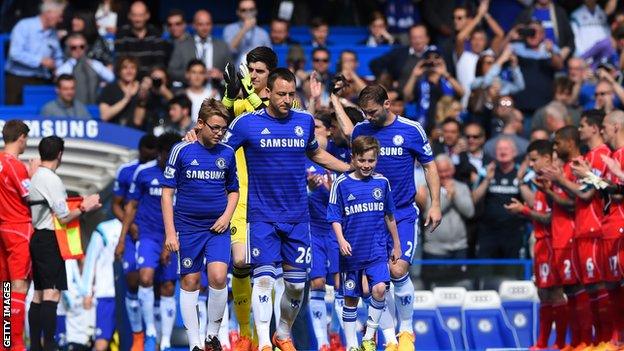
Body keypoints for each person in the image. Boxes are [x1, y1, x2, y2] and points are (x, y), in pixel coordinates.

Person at [223, 68, 351, 351]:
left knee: (295, 286)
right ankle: (264, 342)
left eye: (291, 94)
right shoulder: (246, 124)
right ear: (267, 92)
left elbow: (315, 153)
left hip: (296, 217)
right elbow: (221, 152)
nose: (287, 100)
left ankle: (282, 333)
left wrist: (347, 168)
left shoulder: (304, 121)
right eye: (281, 94)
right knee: (265, 279)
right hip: (261, 217)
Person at [335, 84, 441, 350]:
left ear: (387, 105)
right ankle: (390, 339)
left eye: (371, 112)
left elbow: (429, 166)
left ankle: (406, 331)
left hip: (402, 213)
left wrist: (435, 203)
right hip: (369, 219)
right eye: (364, 113)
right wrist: (333, 99)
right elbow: (350, 137)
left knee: (397, 270)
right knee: (377, 283)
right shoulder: (361, 130)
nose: (367, 117)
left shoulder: (411, 129)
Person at [161, 99, 238, 351]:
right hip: (189, 228)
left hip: (217, 228)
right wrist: (171, 233)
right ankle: (194, 342)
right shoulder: (181, 150)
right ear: (200, 124)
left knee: (218, 278)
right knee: (190, 282)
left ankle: (211, 336)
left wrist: (226, 216)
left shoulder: (227, 152)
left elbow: (233, 191)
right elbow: (166, 193)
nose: (219, 133)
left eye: (223, 128)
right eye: (214, 127)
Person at [543, 112, 614, 347]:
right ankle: (591, 341)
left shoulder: (602, 155)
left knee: (602, 287)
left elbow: (585, 194)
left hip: (596, 228)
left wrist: (560, 181)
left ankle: (608, 340)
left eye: (583, 126)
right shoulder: (590, 157)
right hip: (583, 230)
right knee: (588, 289)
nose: (580, 130)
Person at [327, 135, 401, 351]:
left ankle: (368, 336)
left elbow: (389, 216)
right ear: (354, 159)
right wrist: (341, 240)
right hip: (352, 251)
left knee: (379, 290)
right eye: (362, 161)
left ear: (376, 159)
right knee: (351, 299)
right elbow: (334, 216)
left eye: (371, 160)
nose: (366, 165)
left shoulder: (382, 182)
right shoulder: (341, 183)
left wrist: (396, 244)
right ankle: (351, 345)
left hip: (377, 248)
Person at [28, 136, 101, 351]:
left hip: (38, 238)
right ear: (60, 154)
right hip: (50, 239)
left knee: (39, 293)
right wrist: (86, 206)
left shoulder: (37, 176)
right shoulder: (51, 179)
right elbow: (64, 217)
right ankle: (48, 344)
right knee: (51, 293)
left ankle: (36, 344)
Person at [118, 133, 181, 351]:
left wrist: (169, 241)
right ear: (161, 153)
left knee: (168, 286)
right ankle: (150, 332)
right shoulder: (143, 173)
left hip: (171, 236)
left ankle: (165, 342)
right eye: (168, 154)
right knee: (144, 278)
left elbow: (181, 211)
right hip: (147, 235)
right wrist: (122, 239)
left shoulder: (183, 175)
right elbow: (130, 206)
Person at [504, 139, 568, 349]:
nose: (531, 164)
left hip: (553, 242)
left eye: (534, 160)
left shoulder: (554, 183)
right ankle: (542, 343)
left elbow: (550, 218)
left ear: (547, 158)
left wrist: (523, 211)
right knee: (543, 293)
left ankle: (559, 343)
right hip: (540, 243)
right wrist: (524, 204)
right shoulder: (540, 183)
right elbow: (538, 210)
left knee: (556, 293)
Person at [537, 126, 588, 348]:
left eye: (557, 143)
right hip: (561, 239)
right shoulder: (566, 168)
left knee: (579, 291)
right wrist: (550, 189)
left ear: (569, 142)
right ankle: (577, 342)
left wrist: (556, 184)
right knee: (570, 292)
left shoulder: (576, 167)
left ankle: (586, 341)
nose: (555, 148)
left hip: (572, 236)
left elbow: (574, 204)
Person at [113, 134, 158, 351]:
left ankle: (156, 337)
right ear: (140, 150)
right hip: (133, 235)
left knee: (156, 285)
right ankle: (138, 335)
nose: (149, 155)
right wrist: (128, 226)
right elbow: (117, 204)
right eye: (146, 151)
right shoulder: (127, 171)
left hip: (154, 234)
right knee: (133, 281)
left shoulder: (161, 170)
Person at [0, 120, 36, 351]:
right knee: (20, 286)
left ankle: (4, 343)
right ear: (21, 137)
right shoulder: (15, 165)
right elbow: (30, 195)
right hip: (19, 227)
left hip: (3, 227)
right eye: (26, 139)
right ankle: (17, 343)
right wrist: (33, 174)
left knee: (5, 288)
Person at [472, 137, 526, 258]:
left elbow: (532, 202)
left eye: (506, 149)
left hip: (514, 231)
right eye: (499, 149)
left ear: (515, 152)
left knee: (512, 273)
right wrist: (487, 180)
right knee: (485, 271)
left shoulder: (523, 172)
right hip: (488, 232)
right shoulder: (485, 171)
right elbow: (474, 199)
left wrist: (521, 180)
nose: (502, 152)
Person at [4, 0, 65, 105]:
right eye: (59, 16)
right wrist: (40, 61)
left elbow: (58, 57)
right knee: (16, 117)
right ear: (48, 13)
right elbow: (14, 53)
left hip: (42, 80)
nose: (61, 20)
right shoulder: (24, 26)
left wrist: (59, 69)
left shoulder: (53, 33)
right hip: (18, 79)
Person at [167, 9, 231, 87]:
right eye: (200, 24)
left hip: (216, 91)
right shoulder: (182, 45)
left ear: (212, 25)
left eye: (208, 24)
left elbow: (232, 73)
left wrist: (220, 75)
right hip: (190, 92)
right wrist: (190, 75)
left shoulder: (222, 46)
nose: (205, 28)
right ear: (194, 25)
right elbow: (171, 71)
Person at [56, 33, 115, 104]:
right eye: (73, 47)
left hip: (93, 104)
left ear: (86, 48)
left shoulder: (95, 64)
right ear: (69, 49)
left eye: (81, 47)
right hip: (73, 106)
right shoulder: (64, 68)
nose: (78, 50)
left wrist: (103, 83)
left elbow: (111, 78)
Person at [114, 1, 168, 78]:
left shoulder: (156, 34)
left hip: (150, 80)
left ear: (147, 15)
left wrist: (148, 80)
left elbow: (159, 63)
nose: (137, 19)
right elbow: (120, 62)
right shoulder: (122, 34)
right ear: (129, 16)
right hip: (129, 79)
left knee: (159, 74)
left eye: (141, 15)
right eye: (134, 15)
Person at [369, 24, 430, 91]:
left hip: (428, 93)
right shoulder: (399, 53)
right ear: (409, 39)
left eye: (420, 37)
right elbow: (375, 63)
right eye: (414, 38)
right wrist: (388, 80)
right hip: (400, 95)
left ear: (427, 38)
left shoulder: (435, 55)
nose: (417, 41)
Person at [223, 0, 271, 65]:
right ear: (238, 12)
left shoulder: (263, 33)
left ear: (256, 11)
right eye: (243, 10)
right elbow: (228, 51)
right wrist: (244, 29)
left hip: (257, 72)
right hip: (236, 72)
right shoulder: (229, 29)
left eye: (251, 10)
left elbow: (270, 57)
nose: (248, 13)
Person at [98, 56, 140, 125]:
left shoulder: (141, 89)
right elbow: (104, 116)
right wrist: (126, 100)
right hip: (115, 131)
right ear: (119, 71)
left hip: (138, 132)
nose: (129, 71)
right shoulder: (109, 89)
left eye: (133, 68)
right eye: (125, 68)